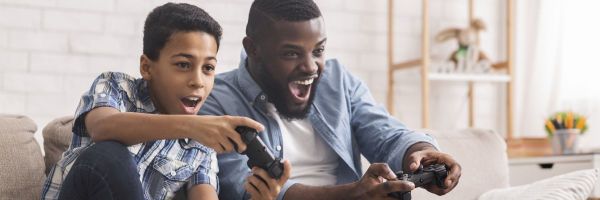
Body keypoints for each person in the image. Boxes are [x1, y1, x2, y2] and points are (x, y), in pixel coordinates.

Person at [199, 0, 462, 199]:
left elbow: (384, 133)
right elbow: (240, 186)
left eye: (318, 50)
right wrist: (351, 194)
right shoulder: (215, 100)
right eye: (291, 54)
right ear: (253, 49)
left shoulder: (337, 79)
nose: (311, 67)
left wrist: (419, 153)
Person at [40, 3, 288, 200]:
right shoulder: (117, 86)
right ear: (147, 67)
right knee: (108, 153)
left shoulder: (200, 148)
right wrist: (193, 126)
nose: (198, 81)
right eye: (183, 65)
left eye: (208, 68)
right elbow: (103, 128)